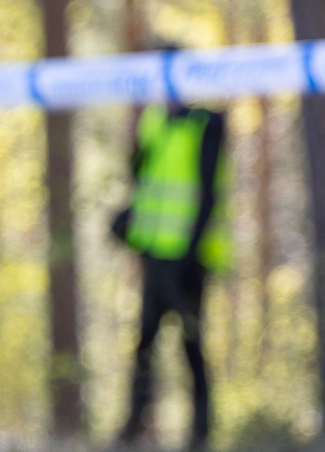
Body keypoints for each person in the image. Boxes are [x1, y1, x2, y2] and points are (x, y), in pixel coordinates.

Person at [110, 89, 228, 451]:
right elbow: (144, 184)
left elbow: (209, 195)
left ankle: (201, 435)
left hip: (190, 262)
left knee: (191, 344)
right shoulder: (155, 121)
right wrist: (126, 222)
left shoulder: (206, 126)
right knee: (144, 341)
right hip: (156, 257)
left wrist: (189, 256)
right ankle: (131, 431)